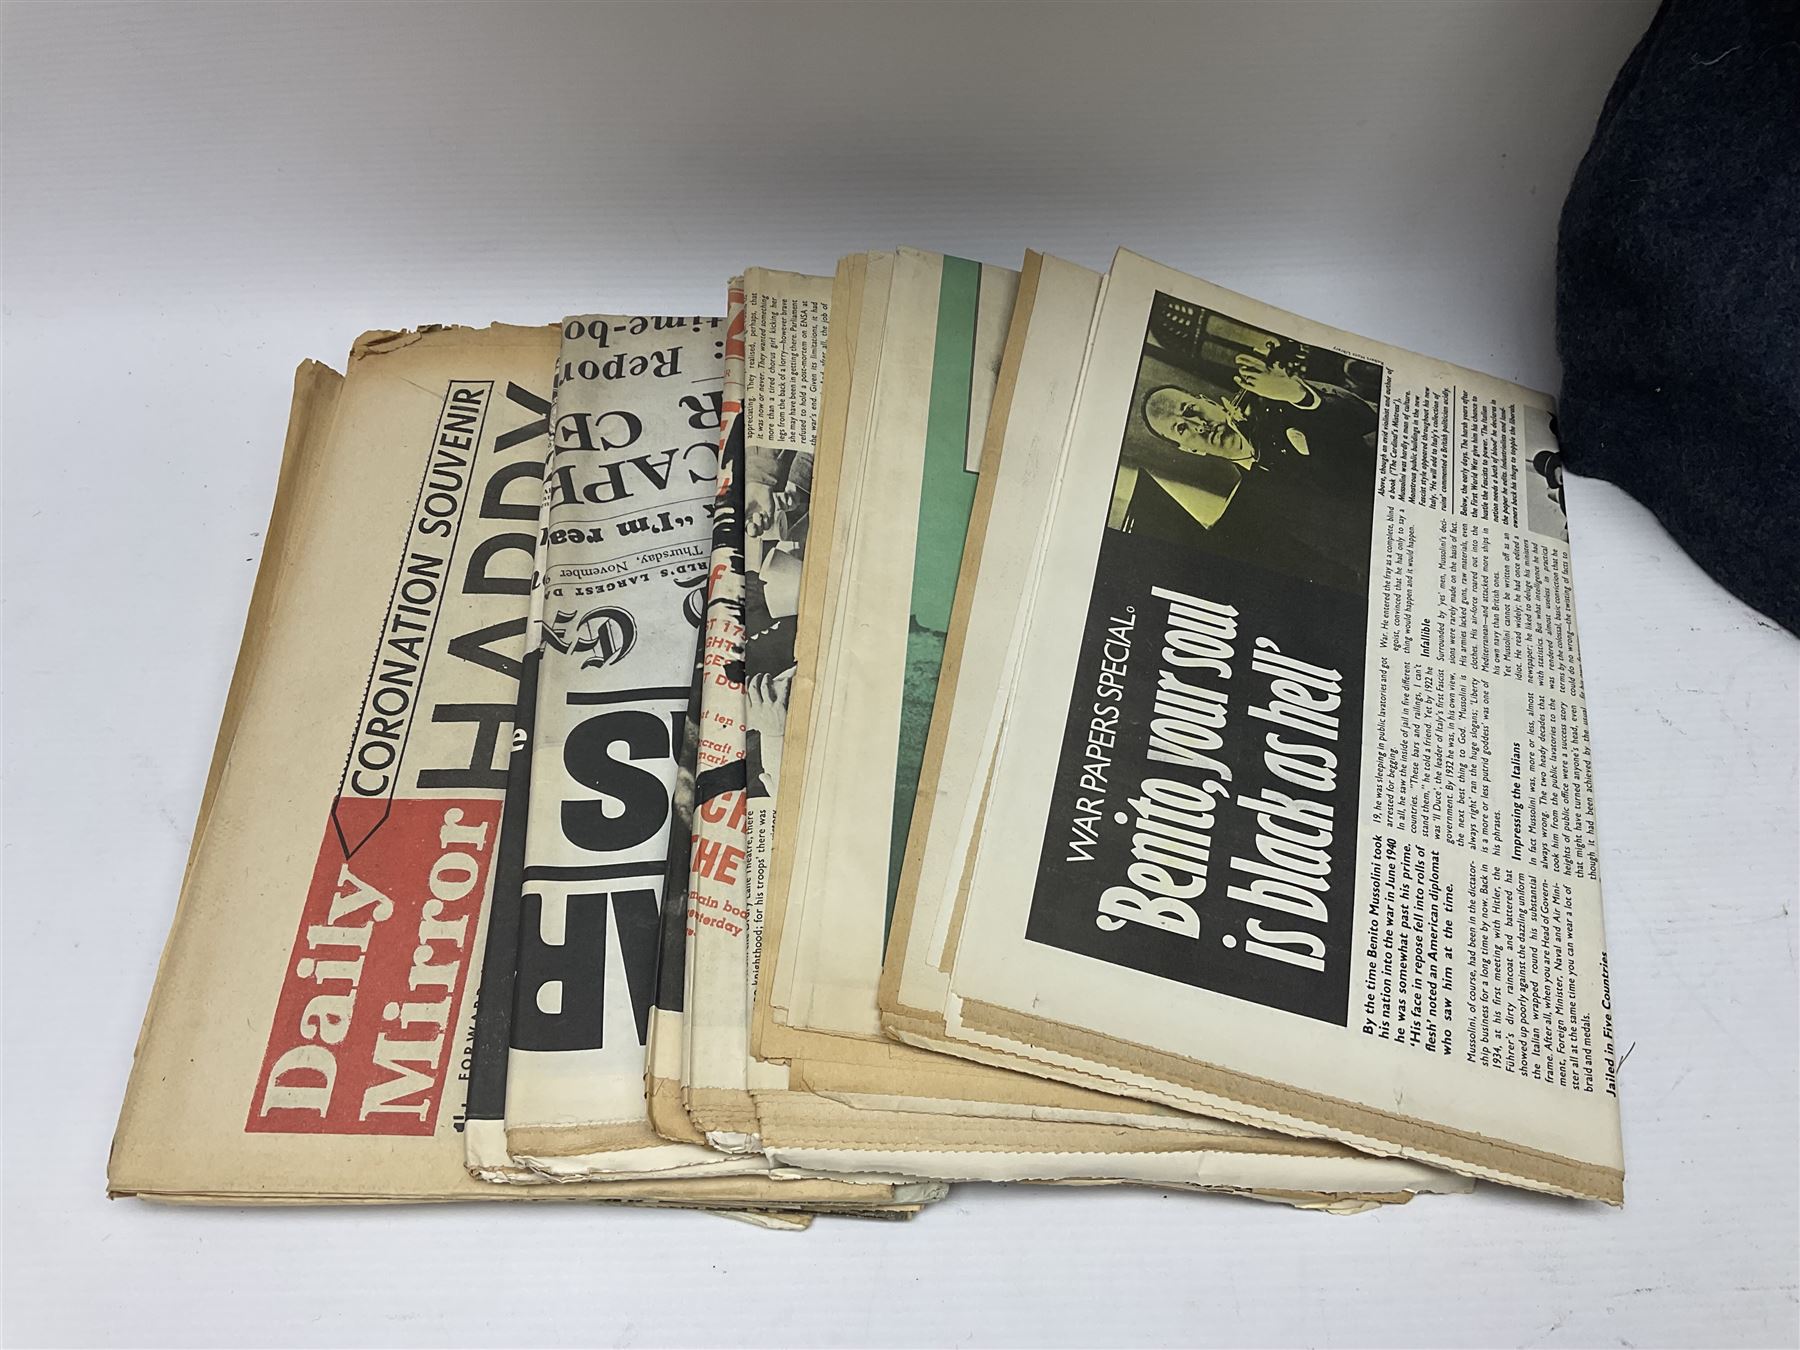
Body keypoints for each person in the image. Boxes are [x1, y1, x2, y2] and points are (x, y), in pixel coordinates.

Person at [1136, 351, 1380, 592]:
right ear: (1189, 449)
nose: (1200, 425)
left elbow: (1366, 418)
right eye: (1181, 428)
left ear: (1207, 402)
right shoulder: (1251, 509)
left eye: (1190, 410)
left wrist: (1298, 394)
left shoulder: (1280, 403)